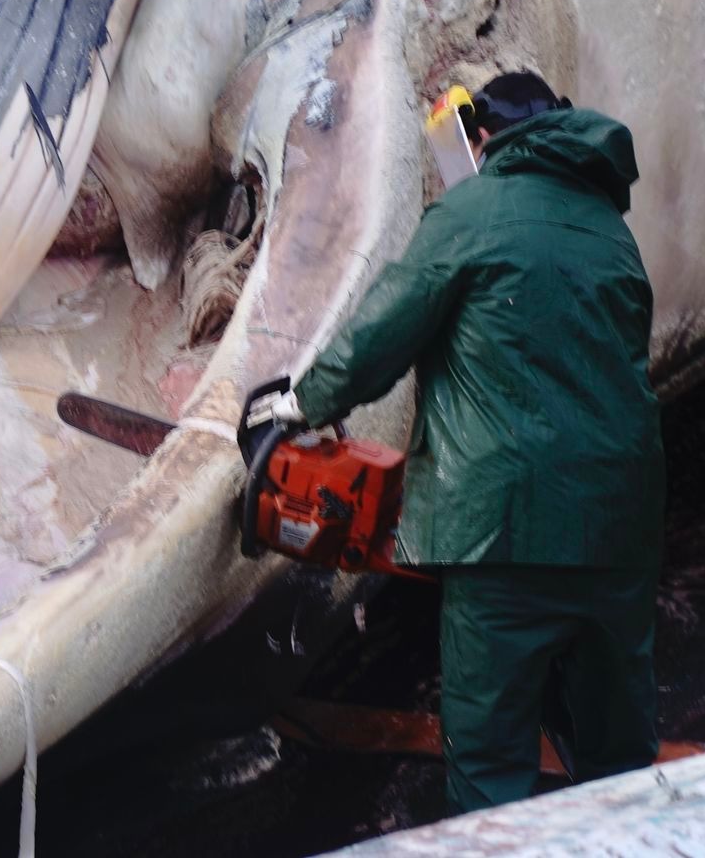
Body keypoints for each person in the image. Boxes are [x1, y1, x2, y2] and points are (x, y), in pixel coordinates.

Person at [267, 71, 666, 814]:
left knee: (491, 764)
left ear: (481, 138)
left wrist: (300, 402)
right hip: (619, 533)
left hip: (505, 534)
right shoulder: (610, 229)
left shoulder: (472, 210)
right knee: (619, 762)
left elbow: (382, 333)